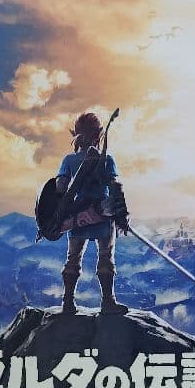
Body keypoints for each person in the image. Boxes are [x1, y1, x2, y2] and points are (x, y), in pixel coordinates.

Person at [56, 112, 130, 315]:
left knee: (73, 259)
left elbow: (60, 187)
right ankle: (107, 302)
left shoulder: (69, 160)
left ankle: (68, 302)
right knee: (105, 258)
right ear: (98, 135)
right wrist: (121, 215)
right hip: (102, 216)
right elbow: (115, 186)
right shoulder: (107, 160)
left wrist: (61, 210)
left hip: (78, 217)